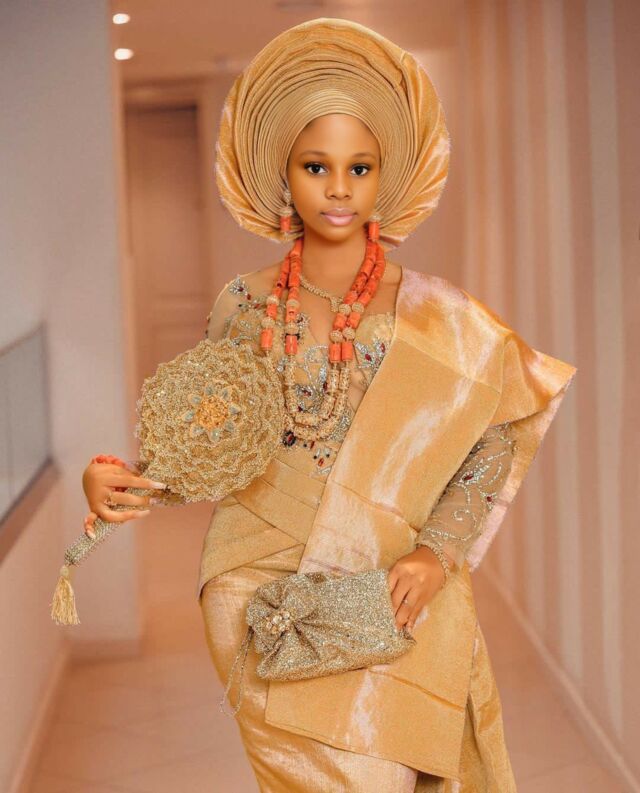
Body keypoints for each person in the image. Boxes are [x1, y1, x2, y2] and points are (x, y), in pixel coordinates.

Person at [81, 18, 576, 792]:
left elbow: (496, 435)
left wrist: (436, 552)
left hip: (384, 586)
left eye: (359, 167)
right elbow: (215, 441)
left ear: (385, 177)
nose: (338, 188)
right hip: (254, 590)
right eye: (316, 165)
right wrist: (126, 480)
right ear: (285, 174)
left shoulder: (438, 316)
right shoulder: (244, 304)